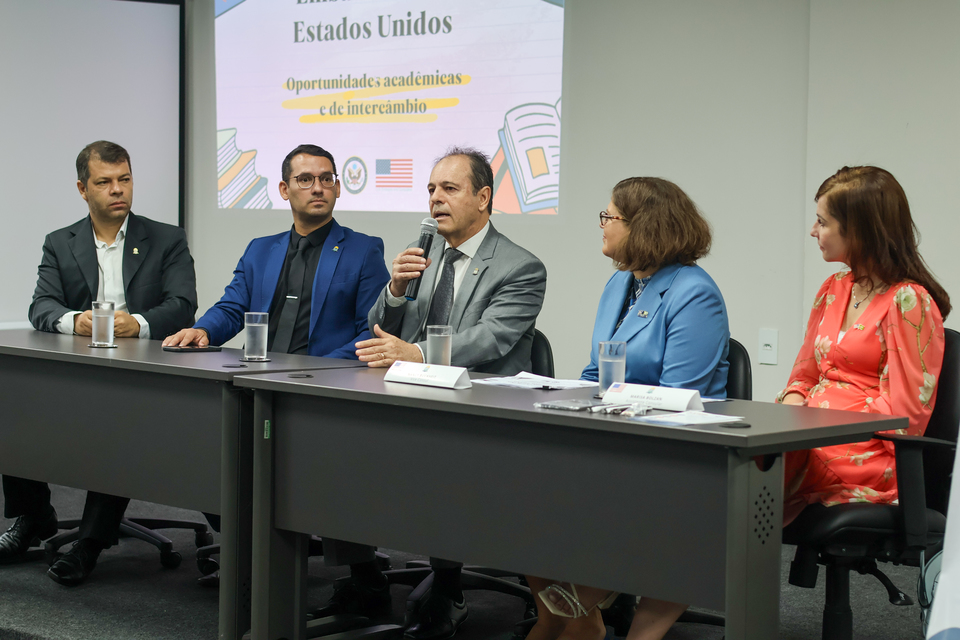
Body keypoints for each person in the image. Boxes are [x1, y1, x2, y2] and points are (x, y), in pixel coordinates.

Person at [313, 147, 548, 640]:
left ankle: (447, 583)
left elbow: (491, 339)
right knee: (330, 443)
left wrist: (416, 354)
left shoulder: (520, 267)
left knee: (439, 465)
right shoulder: (425, 251)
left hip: (477, 409)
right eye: (431, 190)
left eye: (449, 189)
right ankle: (362, 574)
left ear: (484, 198)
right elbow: (380, 326)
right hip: (408, 399)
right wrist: (396, 289)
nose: (435, 200)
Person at [527, 177, 729, 640]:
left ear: (644, 226)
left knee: (574, 486)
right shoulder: (621, 282)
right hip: (615, 431)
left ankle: (581, 607)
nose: (601, 225)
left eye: (609, 216)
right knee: (525, 477)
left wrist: (603, 407)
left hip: (673, 449)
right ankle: (565, 614)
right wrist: (559, 397)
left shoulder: (694, 293)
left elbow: (682, 397)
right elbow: (598, 370)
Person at [0, 140, 198, 586]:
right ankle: (34, 518)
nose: (117, 190)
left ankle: (89, 543)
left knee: (119, 422)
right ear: (82, 188)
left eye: (124, 180)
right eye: (104, 182)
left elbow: (183, 305)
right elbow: (42, 306)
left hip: (145, 374)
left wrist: (140, 324)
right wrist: (76, 321)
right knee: (12, 401)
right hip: (80, 369)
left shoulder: (166, 238)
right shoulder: (60, 242)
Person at [778, 165, 949, 524]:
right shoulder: (833, 288)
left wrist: (820, 425)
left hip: (866, 452)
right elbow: (804, 375)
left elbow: (905, 417)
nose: (813, 231)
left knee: (752, 475)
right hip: (814, 434)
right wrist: (789, 414)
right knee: (744, 455)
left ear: (857, 230)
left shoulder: (908, 301)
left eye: (822, 222)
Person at [163, 143, 389, 359]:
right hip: (255, 378)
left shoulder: (364, 251)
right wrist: (203, 331)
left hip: (323, 382)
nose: (318, 188)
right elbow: (232, 308)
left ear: (337, 188)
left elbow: (372, 331)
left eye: (327, 179)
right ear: (284, 189)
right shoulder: (259, 250)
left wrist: (322, 369)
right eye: (305, 180)